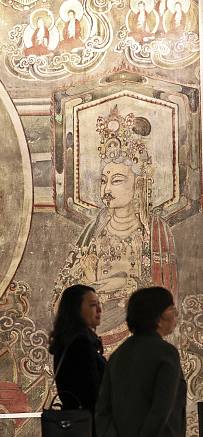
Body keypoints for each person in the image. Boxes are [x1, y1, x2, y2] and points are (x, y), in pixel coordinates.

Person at [55, 105, 176, 347]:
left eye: (117, 181)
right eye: (103, 181)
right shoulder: (93, 229)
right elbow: (67, 284)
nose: (107, 190)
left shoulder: (156, 231)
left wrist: (126, 286)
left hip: (134, 334)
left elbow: (161, 293)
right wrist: (89, 279)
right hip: (94, 331)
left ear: (139, 185)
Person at [96, 286, 186, 437]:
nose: (175, 315)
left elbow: (102, 408)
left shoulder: (119, 354)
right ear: (157, 317)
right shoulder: (166, 353)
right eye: (171, 309)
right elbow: (161, 409)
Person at [48, 285, 106, 437]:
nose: (100, 309)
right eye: (92, 304)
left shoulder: (68, 340)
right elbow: (93, 393)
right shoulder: (81, 343)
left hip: (76, 432)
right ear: (76, 309)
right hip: (89, 433)